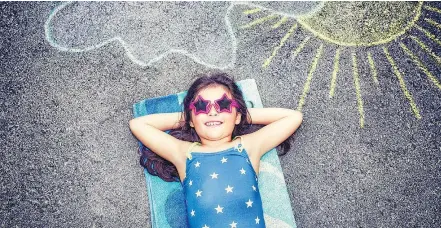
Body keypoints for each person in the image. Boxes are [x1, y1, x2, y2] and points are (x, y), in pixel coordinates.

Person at [129, 72, 303, 228]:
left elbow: (293, 117)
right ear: (190, 119)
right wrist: (188, 117)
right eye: (201, 107)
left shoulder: (249, 146)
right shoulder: (184, 153)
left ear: (237, 115)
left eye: (224, 105)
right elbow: (138, 124)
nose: (212, 112)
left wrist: (240, 115)